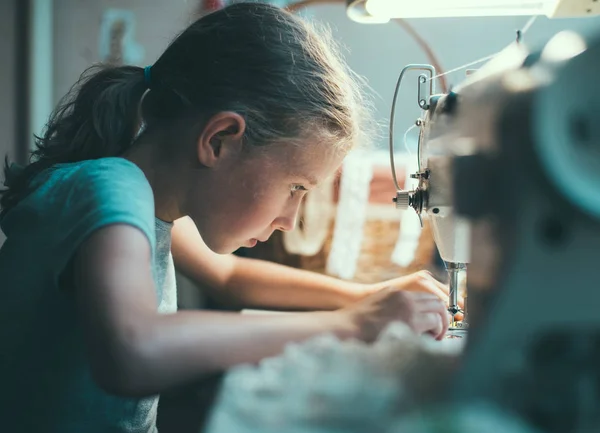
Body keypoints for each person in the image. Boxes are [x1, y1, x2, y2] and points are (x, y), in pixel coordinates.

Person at [0, 3, 453, 432]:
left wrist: (367, 296)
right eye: (296, 187)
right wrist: (355, 324)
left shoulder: (143, 199)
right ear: (219, 140)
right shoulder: (111, 187)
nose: (289, 220)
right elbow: (133, 352)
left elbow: (231, 275)